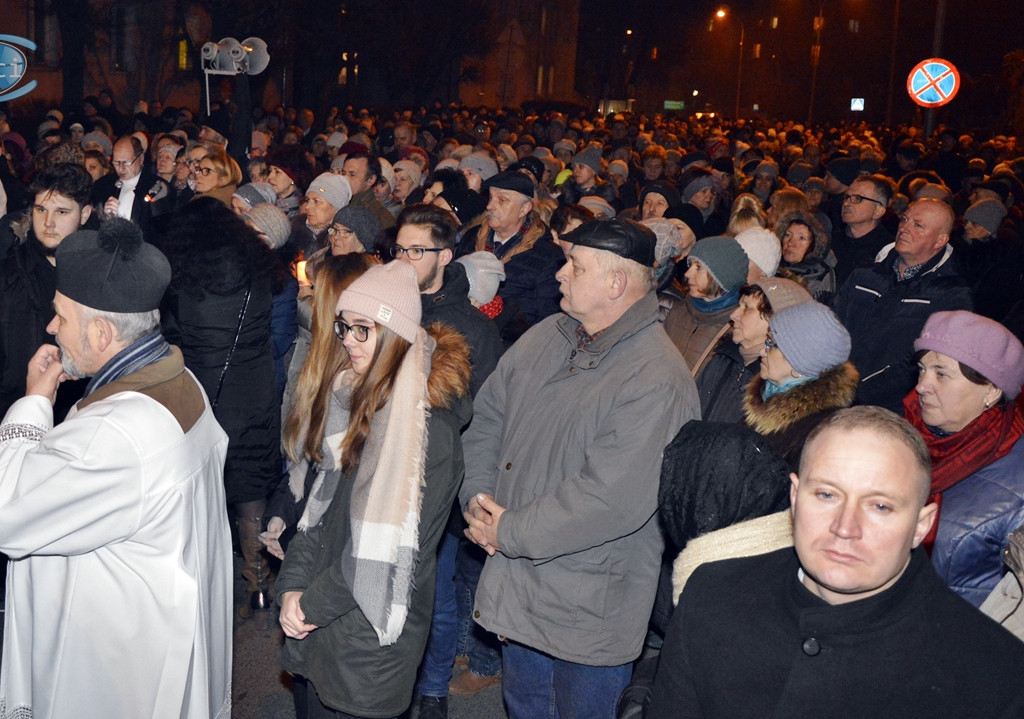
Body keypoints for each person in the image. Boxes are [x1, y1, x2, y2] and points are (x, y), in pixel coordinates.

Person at [461, 218, 699, 719]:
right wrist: (479, 502)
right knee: (525, 706)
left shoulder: (656, 377)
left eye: (575, 265)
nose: (559, 275)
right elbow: (487, 419)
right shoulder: (551, 333)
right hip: (520, 576)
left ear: (616, 283)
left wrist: (508, 530)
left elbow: (611, 497)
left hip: (588, 602)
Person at [649, 406, 1024, 719]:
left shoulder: (993, 673)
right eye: (827, 494)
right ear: (795, 498)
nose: (846, 528)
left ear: (921, 526)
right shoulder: (712, 594)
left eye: (880, 506)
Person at [0, 218, 232, 718]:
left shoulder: (116, 434)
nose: (50, 327)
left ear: (102, 331)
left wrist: (34, 404)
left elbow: (8, 511)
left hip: (110, 669)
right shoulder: (179, 376)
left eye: (60, 317)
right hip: (157, 635)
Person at [276, 261, 472, 718]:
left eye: (363, 329)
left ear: (394, 335)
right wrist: (292, 587)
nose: (346, 339)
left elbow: (384, 561)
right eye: (345, 326)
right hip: (322, 611)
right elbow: (316, 516)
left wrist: (308, 606)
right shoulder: (353, 398)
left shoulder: (430, 436)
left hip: (366, 638)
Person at [154, 197, 283, 619]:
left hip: (205, 392)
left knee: (205, 489)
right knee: (251, 488)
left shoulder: (185, 278)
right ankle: (259, 585)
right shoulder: (257, 270)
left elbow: (173, 336)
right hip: (256, 388)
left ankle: (208, 587)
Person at [905, 311, 1024, 606]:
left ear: (991, 390)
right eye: (922, 369)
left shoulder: (1017, 483)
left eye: (941, 373)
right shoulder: (897, 438)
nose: (921, 385)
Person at [833, 198, 973, 412]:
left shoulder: (951, 295)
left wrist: (860, 392)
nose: (904, 228)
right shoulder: (865, 275)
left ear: (939, 240)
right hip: (832, 390)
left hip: (888, 409)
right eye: (905, 219)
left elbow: (923, 362)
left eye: (917, 225)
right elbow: (832, 325)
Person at [1, 163, 94, 422]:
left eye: (62, 211)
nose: (48, 222)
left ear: (84, 214)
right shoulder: (8, 271)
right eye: (41, 209)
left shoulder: (101, 276)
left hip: (79, 421)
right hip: (13, 416)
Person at [744, 300, 859, 469]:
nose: (762, 351)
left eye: (772, 344)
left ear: (800, 365)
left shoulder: (817, 436)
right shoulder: (764, 394)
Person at [455, 171, 564, 333]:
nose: (489, 206)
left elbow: (547, 321)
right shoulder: (472, 238)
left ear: (524, 209)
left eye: (502, 200)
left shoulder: (548, 257)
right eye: (490, 197)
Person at [696, 277, 812, 423]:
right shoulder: (723, 356)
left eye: (746, 308)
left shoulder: (775, 382)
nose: (733, 315)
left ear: (774, 320)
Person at [662, 235, 749, 372]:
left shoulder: (737, 327)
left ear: (721, 276)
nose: (688, 273)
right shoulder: (679, 312)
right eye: (690, 265)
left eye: (699, 267)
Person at [91, 135, 170, 235]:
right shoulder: (102, 185)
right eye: (116, 162)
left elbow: (160, 229)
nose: (121, 168)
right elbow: (91, 224)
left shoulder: (156, 186)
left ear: (141, 158)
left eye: (126, 162)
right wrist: (103, 213)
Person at [775, 210, 836, 302]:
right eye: (788, 235)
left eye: (802, 238)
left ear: (815, 244)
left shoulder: (821, 277)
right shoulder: (773, 268)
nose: (791, 243)